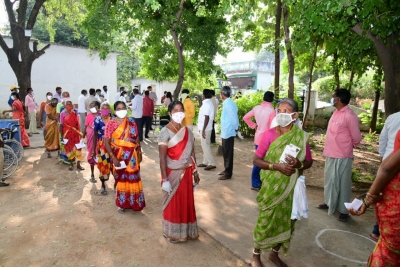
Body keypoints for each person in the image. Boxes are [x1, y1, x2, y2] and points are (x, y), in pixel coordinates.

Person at [251, 98, 313, 267]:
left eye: (286, 111)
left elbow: (309, 161)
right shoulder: (270, 134)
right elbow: (256, 160)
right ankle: (256, 255)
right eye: (279, 111)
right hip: (272, 187)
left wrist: (298, 164)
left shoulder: (301, 136)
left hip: (291, 188)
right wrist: (275, 166)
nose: (281, 114)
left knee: (286, 221)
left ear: (295, 115)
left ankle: (274, 254)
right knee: (265, 220)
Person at [349, 129, 400, 266]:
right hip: (392, 198)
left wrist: (367, 199)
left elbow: (387, 169)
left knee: (388, 256)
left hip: (396, 204)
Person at [158, 100, 200, 243]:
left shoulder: (188, 131)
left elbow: (192, 153)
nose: (178, 113)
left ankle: (186, 232)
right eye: (175, 110)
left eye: (181, 110)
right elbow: (162, 158)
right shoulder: (164, 132)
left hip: (187, 174)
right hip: (172, 173)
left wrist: (195, 172)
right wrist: (164, 179)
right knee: (174, 204)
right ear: (170, 113)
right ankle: (173, 233)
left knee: (186, 203)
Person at [317, 88, 362, 222]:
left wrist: (346, 145)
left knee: (343, 184)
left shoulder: (350, 115)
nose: (332, 98)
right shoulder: (336, 112)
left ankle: (344, 210)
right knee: (329, 180)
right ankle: (329, 202)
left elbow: (357, 138)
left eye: (334, 96)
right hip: (330, 153)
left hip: (343, 155)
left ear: (339, 99)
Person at [103, 101, 145, 213]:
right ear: (115, 111)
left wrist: (139, 152)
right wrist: (113, 158)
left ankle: (135, 202)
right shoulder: (110, 124)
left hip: (132, 156)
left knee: (133, 177)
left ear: (127, 109)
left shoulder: (131, 121)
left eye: (123, 108)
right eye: (118, 108)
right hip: (118, 157)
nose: (121, 110)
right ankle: (122, 203)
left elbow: (136, 138)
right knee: (121, 178)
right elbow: (106, 142)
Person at [368, 110, 400, 242]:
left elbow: (383, 140)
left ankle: (377, 232)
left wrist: (369, 197)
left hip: (389, 165)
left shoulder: (393, 117)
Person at [244, 91, 275, 191]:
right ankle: (257, 183)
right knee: (263, 161)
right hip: (267, 139)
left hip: (258, 137)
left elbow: (245, 117)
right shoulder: (271, 111)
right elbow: (272, 127)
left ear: (263, 98)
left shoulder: (256, 108)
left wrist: (253, 125)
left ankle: (256, 182)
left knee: (258, 161)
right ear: (272, 99)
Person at [218, 86, 239, 180]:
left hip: (229, 131)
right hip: (226, 131)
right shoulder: (227, 103)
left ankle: (228, 173)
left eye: (220, 93)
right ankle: (226, 169)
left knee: (228, 153)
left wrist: (236, 128)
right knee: (225, 152)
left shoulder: (229, 104)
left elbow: (234, 118)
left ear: (222, 94)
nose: (220, 95)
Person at [59, 100, 84, 171]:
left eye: (70, 104)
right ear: (65, 106)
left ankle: (78, 164)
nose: (69, 106)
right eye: (67, 104)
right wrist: (61, 136)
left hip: (75, 134)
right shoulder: (62, 114)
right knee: (69, 148)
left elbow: (77, 125)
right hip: (67, 134)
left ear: (72, 106)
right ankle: (71, 164)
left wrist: (80, 134)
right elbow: (61, 125)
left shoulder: (75, 114)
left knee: (78, 148)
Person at [93, 102, 112, 195]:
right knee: (103, 165)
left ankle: (117, 185)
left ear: (110, 110)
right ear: (100, 110)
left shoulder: (113, 120)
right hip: (102, 147)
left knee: (114, 166)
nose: (105, 110)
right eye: (103, 108)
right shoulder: (97, 120)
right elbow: (95, 135)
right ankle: (103, 186)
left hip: (113, 146)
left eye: (107, 108)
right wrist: (93, 149)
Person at [197, 89, 216, 171]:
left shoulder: (206, 104)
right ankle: (205, 161)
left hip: (205, 128)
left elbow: (206, 117)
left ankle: (211, 163)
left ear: (204, 96)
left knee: (205, 145)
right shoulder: (208, 103)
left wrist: (203, 129)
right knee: (205, 144)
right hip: (207, 127)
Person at [83, 101, 100, 183]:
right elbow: (86, 126)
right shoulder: (89, 115)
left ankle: (102, 173)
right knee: (92, 153)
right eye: (90, 107)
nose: (91, 108)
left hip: (100, 136)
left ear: (97, 107)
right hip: (90, 135)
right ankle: (92, 175)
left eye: (92, 106)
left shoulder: (101, 115)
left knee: (100, 154)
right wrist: (83, 135)